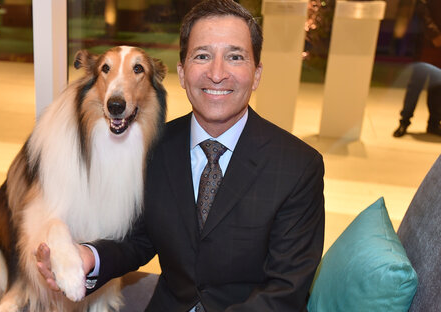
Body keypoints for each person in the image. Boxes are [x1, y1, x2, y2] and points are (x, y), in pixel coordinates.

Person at [37, 0, 325, 310]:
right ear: (182, 73)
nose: (217, 73)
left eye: (235, 57)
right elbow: (138, 238)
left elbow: (285, 290)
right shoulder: (153, 147)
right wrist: (88, 258)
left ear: (256, 74)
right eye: (202, 56)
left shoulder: (297, 167)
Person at [393, 0, 441, 137]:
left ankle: (434, 123)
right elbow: (422, 11)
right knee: (415, 85)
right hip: (426, 44)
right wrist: (434, 34)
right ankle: (404, 121)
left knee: (438, 87)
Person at [393, 62, 441, 137]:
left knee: (437, 90)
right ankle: (404, 121)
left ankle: (434, 124)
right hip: (424, 55)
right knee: (414, 88)